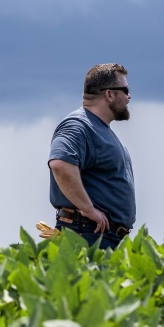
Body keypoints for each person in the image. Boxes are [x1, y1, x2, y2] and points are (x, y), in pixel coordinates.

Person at [47, 63, 136, 249]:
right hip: (88, 234)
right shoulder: (78, 126)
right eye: (125, 90)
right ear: (109, 94)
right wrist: (89, 209)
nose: (129, 97)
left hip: (101, 236)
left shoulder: (97, 128)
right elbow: (60, 164)